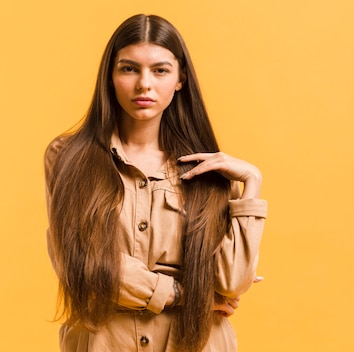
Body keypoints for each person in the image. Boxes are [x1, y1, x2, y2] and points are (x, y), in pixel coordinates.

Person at [44, 14, 267, 352]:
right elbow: (83, 267)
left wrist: (252, 182)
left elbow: (231, 283)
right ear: (110, 77)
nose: (144, 84)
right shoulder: (68, 158)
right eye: (129, 68)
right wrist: (186, 295)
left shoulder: (211, 171)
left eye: (160, 70)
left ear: (180, 80)